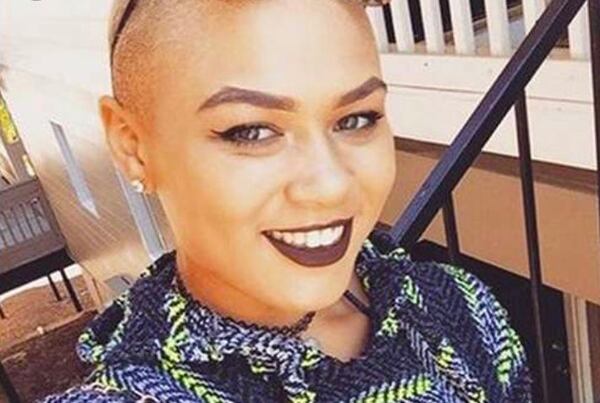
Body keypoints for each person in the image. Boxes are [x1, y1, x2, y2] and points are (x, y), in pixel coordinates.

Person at [42, 0, 531, 401]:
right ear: (133, 146)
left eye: (356, 119)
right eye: (251, 131)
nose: (330, 185)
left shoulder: (456, 303)